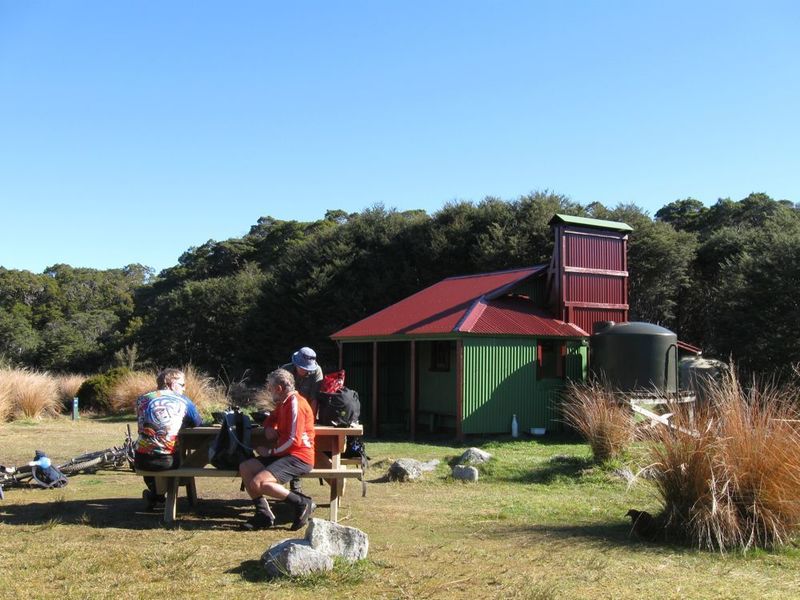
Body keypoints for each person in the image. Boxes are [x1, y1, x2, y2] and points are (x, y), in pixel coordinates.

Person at [239, 368, 316, 531]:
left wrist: (270, 453)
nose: (269, 391)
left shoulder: (296, 403)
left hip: (299, 456)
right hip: (285, 454)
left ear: (279, 388)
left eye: (270, 387)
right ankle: (263, 514)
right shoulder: (283, 403)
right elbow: (271, 418)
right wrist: (268, 427)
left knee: (259, 482)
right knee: (246, 467)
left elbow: (294, 440)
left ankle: (301, 503)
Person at [134, 368, 203, 510]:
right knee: (175, 456)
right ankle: (158, 497)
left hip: (141, 460)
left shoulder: (142, 399)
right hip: (168, 461)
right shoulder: (183, 401)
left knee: (151, 450)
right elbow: (197, 422)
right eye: (182, 385)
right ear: (171, 384)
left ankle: (156, 496)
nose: (184, 389)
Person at [282, 346, 323, 495]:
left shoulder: (316, 372)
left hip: (305, 413)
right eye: (302, 367)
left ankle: (296, 485)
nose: (305, 370)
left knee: (300, 446)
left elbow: (314, 398)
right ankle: (275, 482)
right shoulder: (285, 371)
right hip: (287, 412)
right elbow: (280, 397)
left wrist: (309, 422)